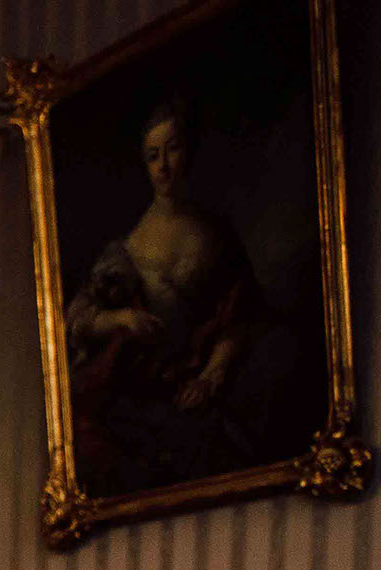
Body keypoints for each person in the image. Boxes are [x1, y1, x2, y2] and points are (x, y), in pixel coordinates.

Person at [62, 95, 304, 495]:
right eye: (153, 155)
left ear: (189, 151)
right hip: (132, 384)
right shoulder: (129, 243)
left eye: (172, 149)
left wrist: (212, 374)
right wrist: (122, 319)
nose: (163, 165)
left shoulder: (214, 236)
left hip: (191, 383)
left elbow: (241, 316)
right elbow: (78, 316)